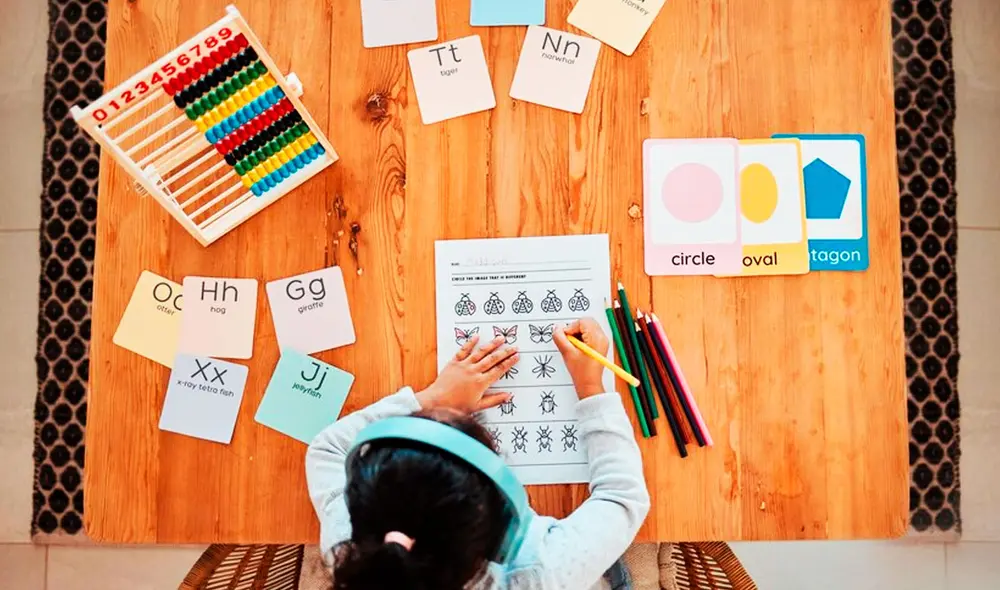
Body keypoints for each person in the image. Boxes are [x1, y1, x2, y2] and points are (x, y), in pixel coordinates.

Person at [306, 318, 650, 590]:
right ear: (505, 522)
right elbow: (622, 497)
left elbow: (326, 449)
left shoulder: (356, 552)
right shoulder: (540, 572)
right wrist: (591, 387)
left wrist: (434, 397)